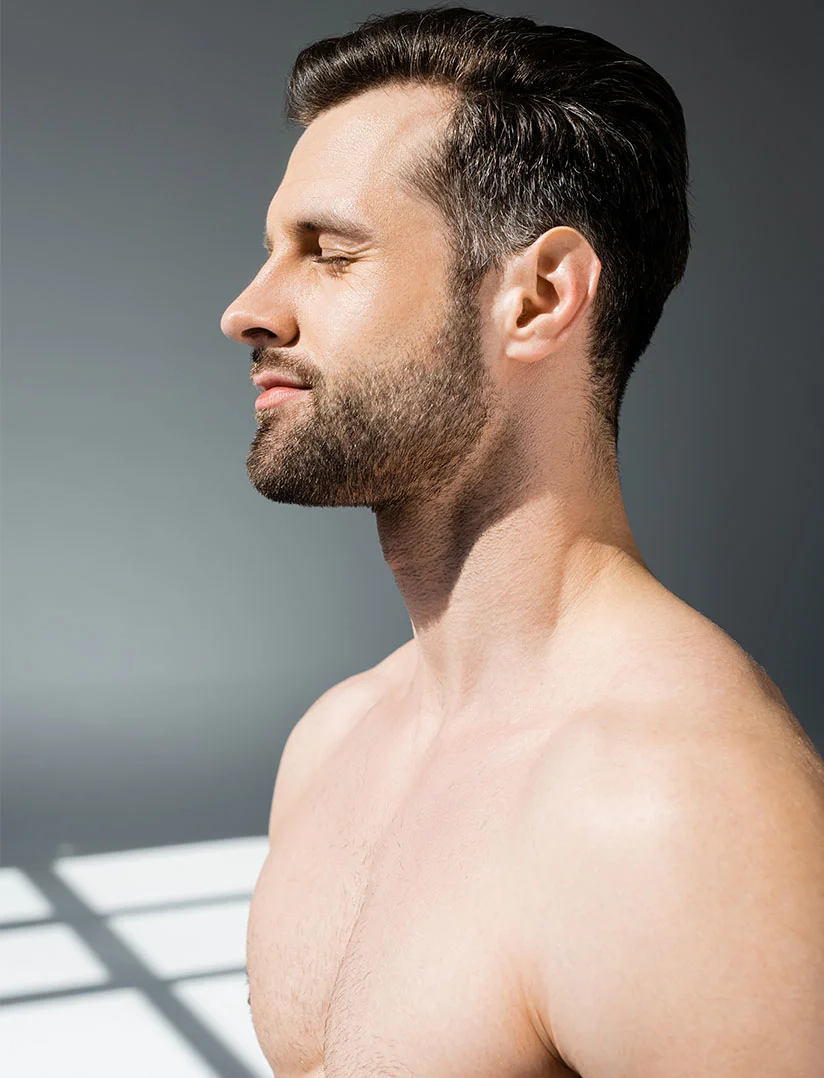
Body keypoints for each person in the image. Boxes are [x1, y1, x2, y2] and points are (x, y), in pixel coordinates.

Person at [219, 8, 824, 1076]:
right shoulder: (334, 739)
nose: (247, 310)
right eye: (272, 251)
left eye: (329, 252)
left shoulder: (670, 802)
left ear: (539, 298)